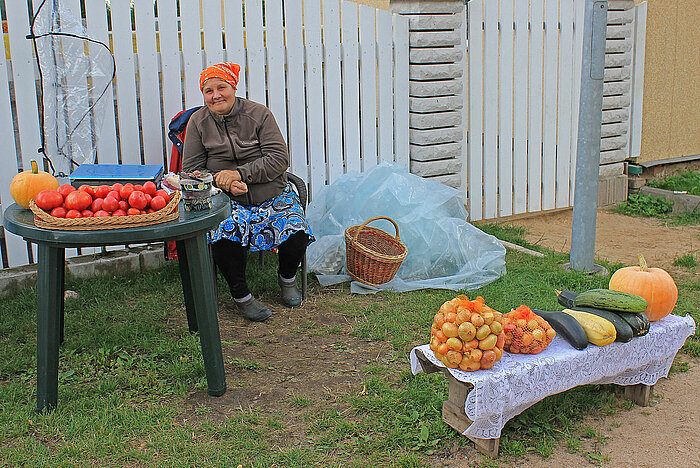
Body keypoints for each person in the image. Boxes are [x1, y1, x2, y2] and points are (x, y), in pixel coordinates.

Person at [182, 62, 313, 322]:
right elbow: (191, 172)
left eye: (222, 87)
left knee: (296, 229)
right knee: (224, 234)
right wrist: (224, 181)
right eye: (208, 90)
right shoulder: (198, 122)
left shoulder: (258, 114)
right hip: (227, 200)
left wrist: (241, 174)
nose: (216, 95)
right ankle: (242, 296)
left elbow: (278, 158)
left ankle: (287, 278)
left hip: (271, 193)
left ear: (234, 87)